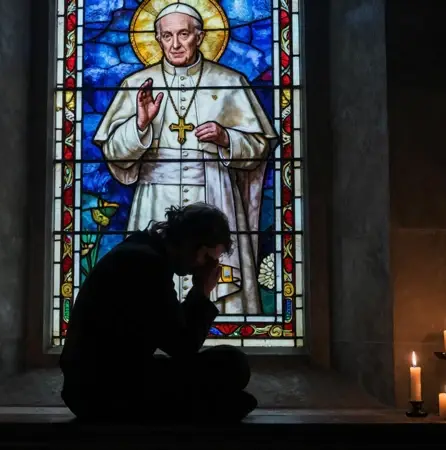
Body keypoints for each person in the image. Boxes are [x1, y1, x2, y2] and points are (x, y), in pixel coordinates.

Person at [93, 3, 278, 315]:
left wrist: (226, 138)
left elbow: (260, 148)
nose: (175, 44)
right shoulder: (136, 85)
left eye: (183, 35)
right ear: (157, 39)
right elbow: (113, 153)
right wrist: (140, 124)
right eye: (167, 36)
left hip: (215, 194)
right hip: (155, 197)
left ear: (200, 36)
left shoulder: (230, 82)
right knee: (149, 292)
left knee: (218, 287)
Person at [59, 203, 257, 423]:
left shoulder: (141, 251)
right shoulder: (146, 264)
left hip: (98, 382)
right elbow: (183, 346)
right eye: (209, 259)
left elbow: (171, 331)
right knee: (232, 365)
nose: (207, 268)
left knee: (228, 372)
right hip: (102, 391)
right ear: (194, 244)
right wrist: (202, 290)